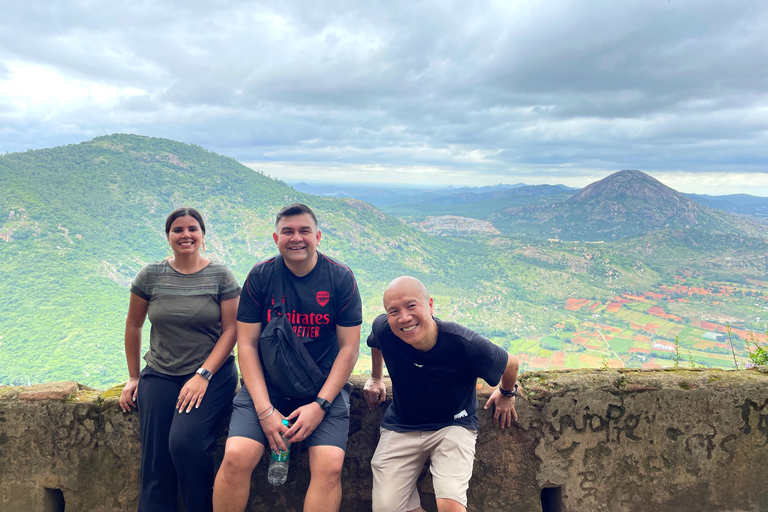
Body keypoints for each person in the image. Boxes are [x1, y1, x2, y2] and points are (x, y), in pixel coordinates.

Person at [213, 203, 362, 512]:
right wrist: (265, 411)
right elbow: (248, 344)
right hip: (267, 388)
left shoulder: (340, 278)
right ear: (275, 238)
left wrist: (320, 406)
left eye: (304, 231)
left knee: (330, 465)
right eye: (288, 232)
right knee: (236, 456)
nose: (297, 238)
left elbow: (349, 348)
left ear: (318, 236)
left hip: (322, 389)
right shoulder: (261, 276)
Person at [118, 207, 240, 512]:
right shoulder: (151, 275)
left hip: (212, 373)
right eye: (178, 229)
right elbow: (133, 326)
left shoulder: (220, 275)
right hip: (160, 371)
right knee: (156, 456)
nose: (185, 235)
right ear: (169, 236)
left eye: (192, 229)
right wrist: (134, 377)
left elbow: (232, 330)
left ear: (202, 235)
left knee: (186, 443)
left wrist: (203, 375)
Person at [363, 276, 520, 512]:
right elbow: (376, 342)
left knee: (450, 505)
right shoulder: (386, 329)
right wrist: (376, 377)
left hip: (453, 424)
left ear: (430, 305)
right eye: (393, 311)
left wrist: (507, 394)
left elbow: (511, 364)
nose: (404, 317)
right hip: (402, 425)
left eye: (411, 306)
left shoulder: (464, 343)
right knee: (387, 508)